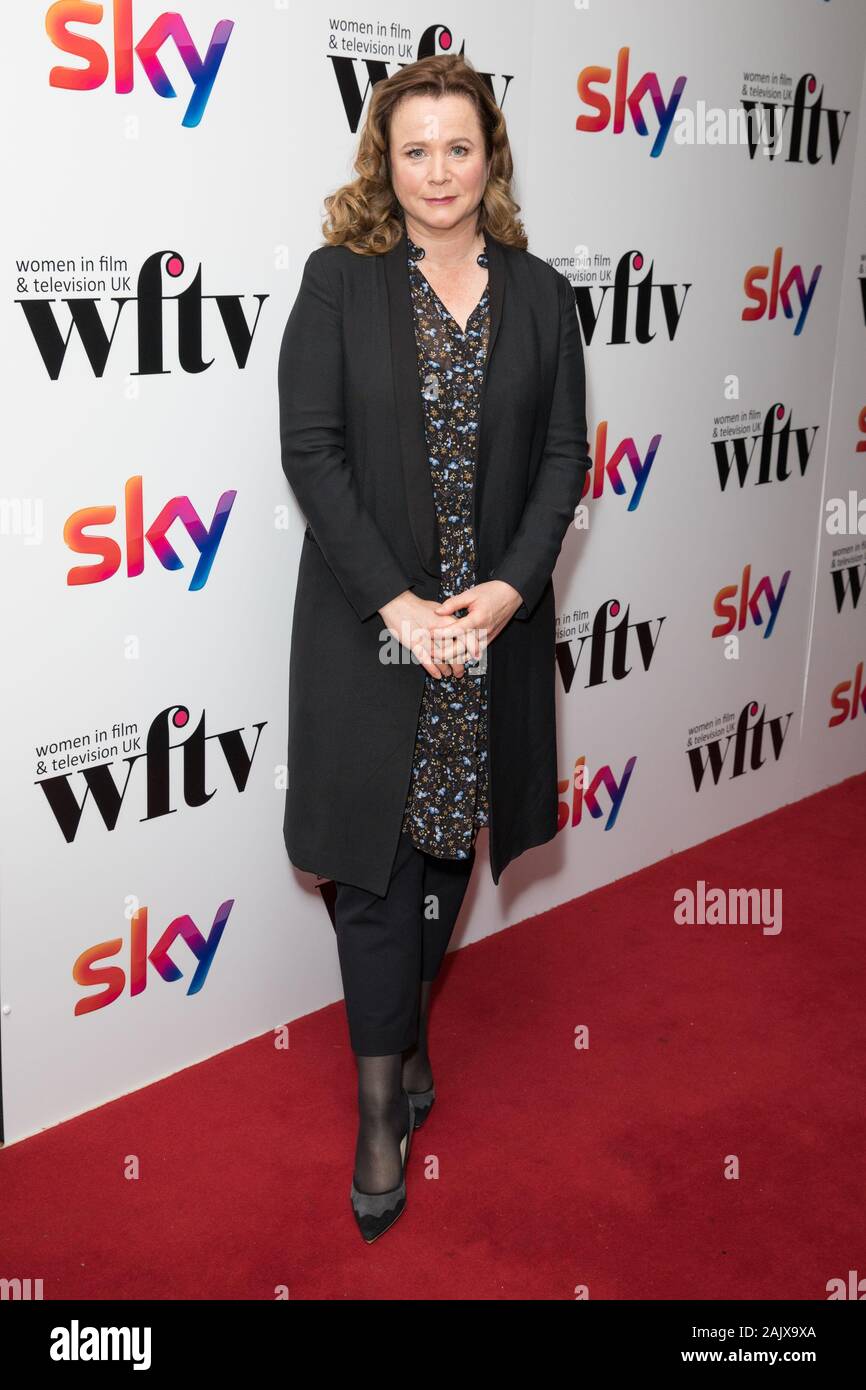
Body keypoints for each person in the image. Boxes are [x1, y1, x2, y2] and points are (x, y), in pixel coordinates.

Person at [277, 53, 591, 1242]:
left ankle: (403, 1033)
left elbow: (562, 458)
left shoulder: (543, 294)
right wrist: (395, 605)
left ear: (488, 156)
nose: (438, 170)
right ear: (384, 162)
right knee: (372, 867)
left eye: (459, 146)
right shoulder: (338, 283)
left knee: (448, 844)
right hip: (373, 634)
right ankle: (377, 1106)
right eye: (415, 149)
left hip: (487, 635)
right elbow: (313, 453)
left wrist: (509, 590)